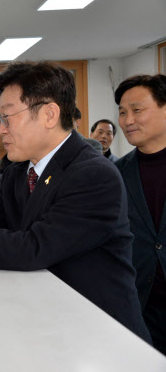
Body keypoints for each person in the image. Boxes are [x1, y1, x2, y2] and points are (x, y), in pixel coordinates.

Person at [0, 61, 151, 343]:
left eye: (6, 118)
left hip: (101, 333)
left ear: (49, 114)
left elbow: (35, 247)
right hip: (49, 321)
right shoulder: (20, 170)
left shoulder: (93, 175)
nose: (1, 129)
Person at [114, 74, 166, 355]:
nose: (127, 120)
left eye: (137, 110)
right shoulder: (115, 174)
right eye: (122, 112)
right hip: (139, 305)